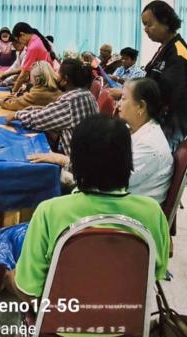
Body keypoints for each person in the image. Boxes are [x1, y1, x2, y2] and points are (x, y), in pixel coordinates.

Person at [11, 115, 170, 320]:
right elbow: (157, 272)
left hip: (63, 322)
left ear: (75, 161)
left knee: (12, 275)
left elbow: (28, 288)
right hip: (124, 322)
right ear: (128, 159)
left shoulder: (49, 211)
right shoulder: (152, 211)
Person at [141, 0, 187, 150]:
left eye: (149, 24)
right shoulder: (165, 48)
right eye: (144, 25)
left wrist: (135, 95)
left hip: (173, 128)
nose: (145, 29)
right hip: (162, 121)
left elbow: (168, 93)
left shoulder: (179, 53)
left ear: (165, 22)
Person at [14, 58, 98, 156]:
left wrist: (16, 115)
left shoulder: (69, 100)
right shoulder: (87, 94)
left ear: (65, 79)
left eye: (58, 73)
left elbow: (38, 119)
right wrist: (38, 109)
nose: (56, 76)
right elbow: (58, 113)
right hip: (87, 154)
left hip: (73, 159)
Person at [119, 78, 174, 204]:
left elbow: (112, 180)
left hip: (134, 209)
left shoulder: (149, 145)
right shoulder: (135, 129)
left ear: (141, 106)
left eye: (123, 99)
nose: (118, 104)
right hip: (126, 199)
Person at [10, 22, 55, 93]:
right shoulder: (35, 39)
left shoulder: (33, 47)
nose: (20, 43)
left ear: (22, 35)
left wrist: (13, 93)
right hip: (44, 81)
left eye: (18, 40)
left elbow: (24, 75)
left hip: (43, 85)